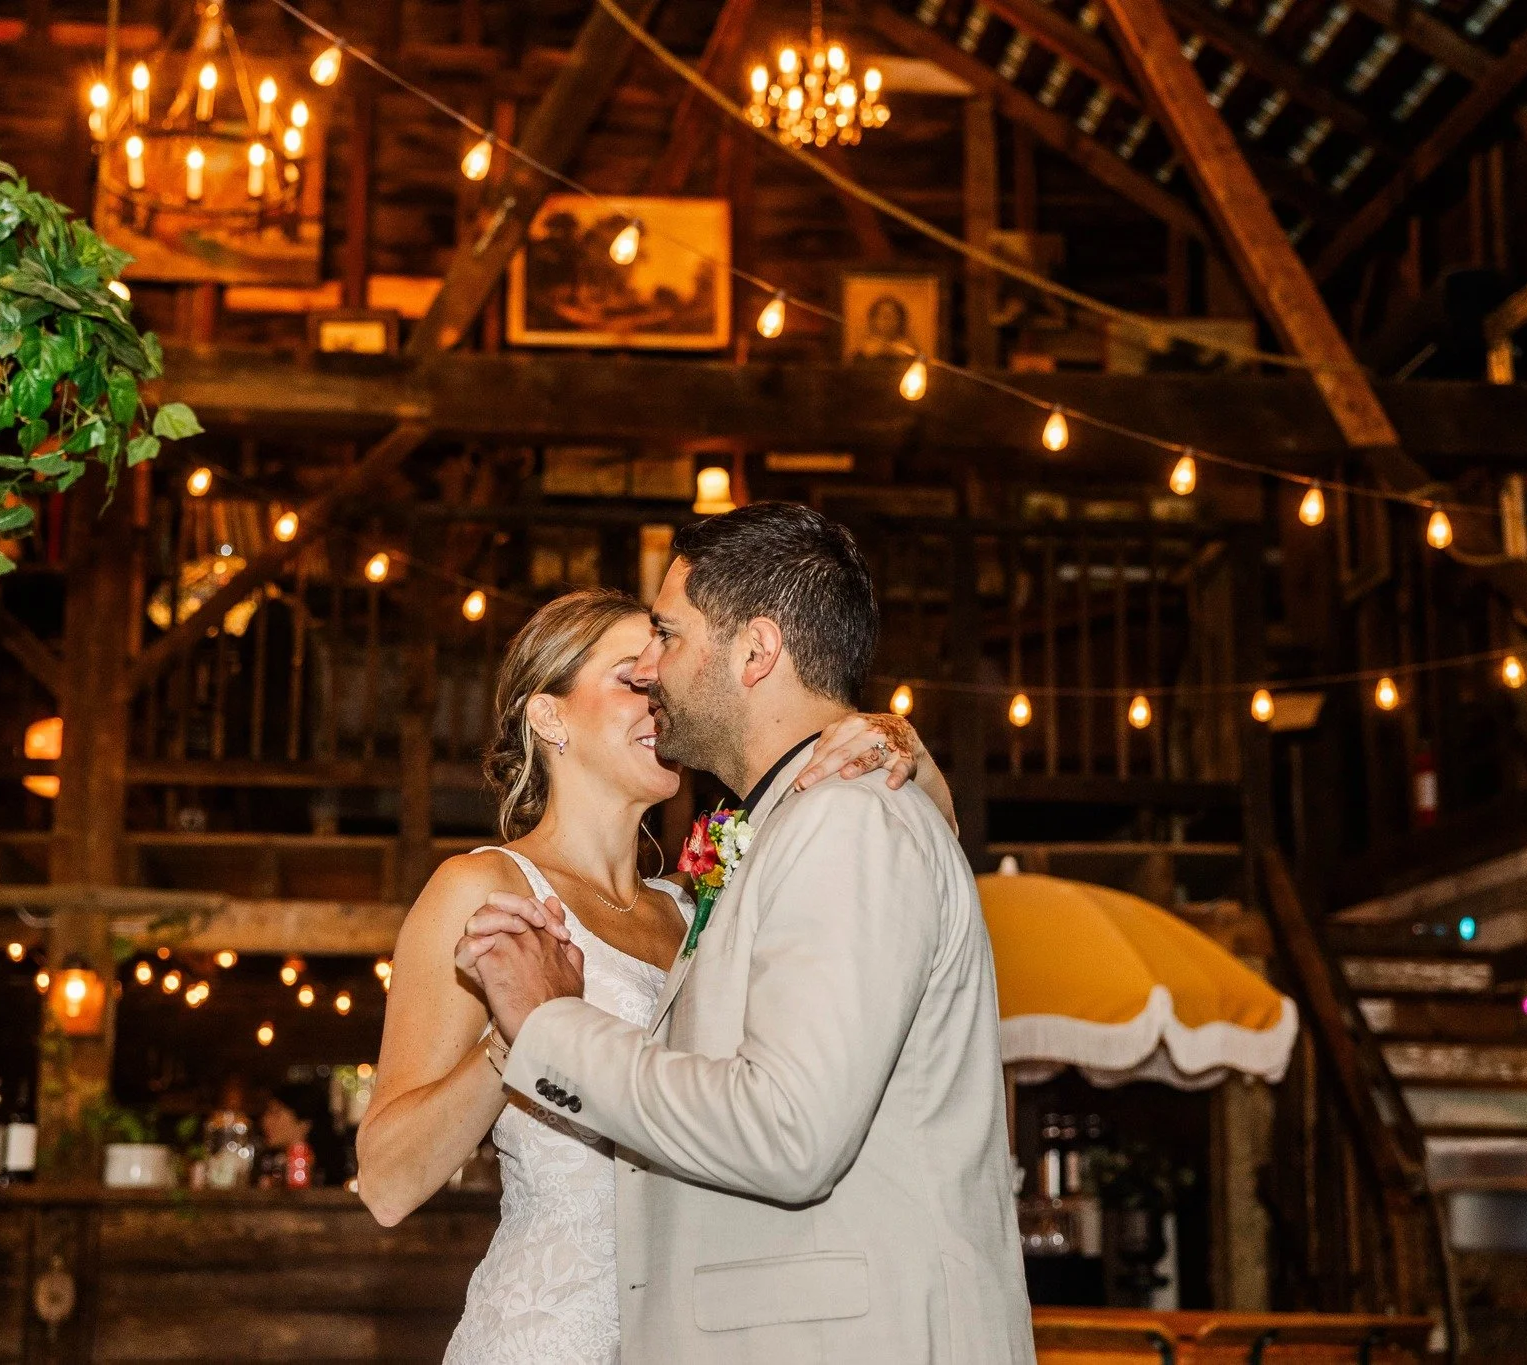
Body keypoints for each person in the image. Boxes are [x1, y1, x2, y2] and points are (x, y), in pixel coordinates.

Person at [458, 503, 1033, 1364]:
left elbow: (790, 1130)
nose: (649, 668)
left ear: (756, 651)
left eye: (666, 635)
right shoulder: (796, 822)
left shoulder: (848, 822)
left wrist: (552, 1027)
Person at [355, 582, 953, 1364]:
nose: (659, 694)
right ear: (550, 716)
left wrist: (910, 759)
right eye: (633, 680)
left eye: (662, 673)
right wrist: (518, 1037)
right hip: (548, 1336)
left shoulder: (696, 910)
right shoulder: (482, 890)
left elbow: (898, 914)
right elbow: (388, 1182)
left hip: (694, 1335)